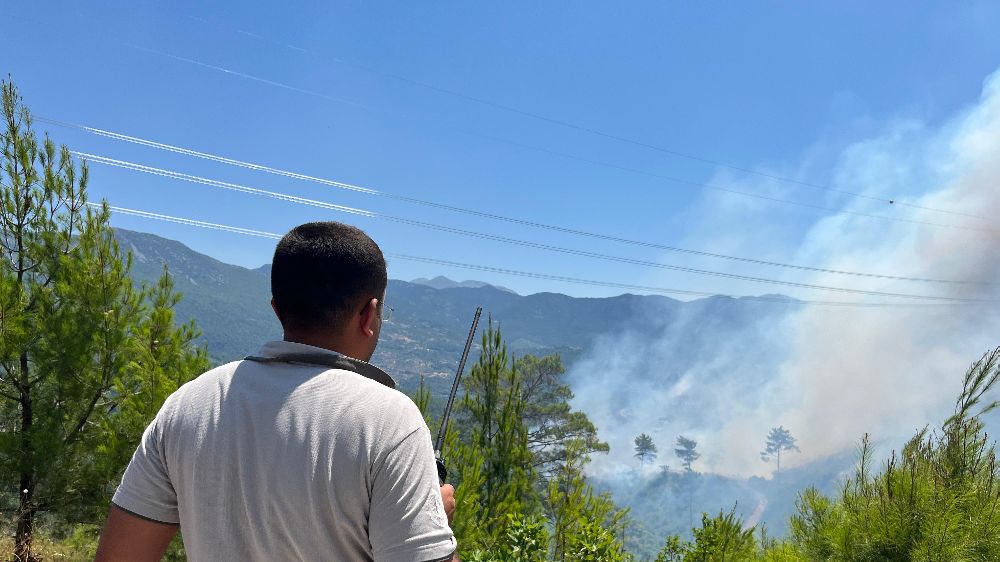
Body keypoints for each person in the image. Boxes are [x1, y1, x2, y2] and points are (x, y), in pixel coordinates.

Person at [95, 222, 459, 561]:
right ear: (369, 314)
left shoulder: (187, 404)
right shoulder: (390, 420)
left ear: (277, 309)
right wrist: (432, 523)